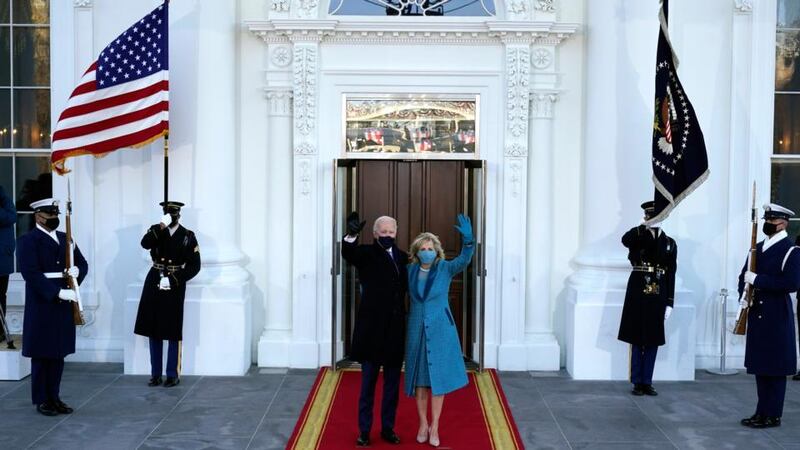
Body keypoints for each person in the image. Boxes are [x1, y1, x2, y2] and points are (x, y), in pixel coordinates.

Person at [404, 214, 474, 448]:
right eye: (423, 248)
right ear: (416, 251)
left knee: (438, 382)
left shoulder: (445, 268)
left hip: (441, 329)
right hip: (416, 329)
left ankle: (436, 426)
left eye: (430, 248)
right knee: (420, 382)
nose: (427, 251)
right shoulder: (410, 271)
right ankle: (422, 424)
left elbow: (464, 260)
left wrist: (468, 241)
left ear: (437, 251)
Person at [341, 213, 408, 447]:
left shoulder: (403, 258)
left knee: (391, 387)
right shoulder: (366, 254)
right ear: (375, 233)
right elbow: (348, 253)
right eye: (383, 232)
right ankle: (364, 431)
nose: (388, 235)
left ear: (396, 233)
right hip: (371, 333)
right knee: (367, 386)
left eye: (391, 232)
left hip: (394, 333)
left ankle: (388, 428)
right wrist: (351, 235)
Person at [18, 198, 88, 416]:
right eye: (50, 217)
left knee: (58, 352)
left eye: (56, 216)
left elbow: (82, 264)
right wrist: (56, 291)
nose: (54, 220)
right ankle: (42, 399)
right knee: (42, 353)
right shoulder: (28, 240)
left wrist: (77, 273)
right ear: (38, 217)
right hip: (43, 302)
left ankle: (54, 397)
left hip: (64, 302)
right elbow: (30, 273)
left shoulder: (64, 238)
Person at [738, 203, 800, 428]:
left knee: (775, 368)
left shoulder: (791, 251)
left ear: (783, 223)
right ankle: (760, 411)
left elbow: (791, 284)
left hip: (776, 315)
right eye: (766, 219)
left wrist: (758, 281)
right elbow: (743, 276)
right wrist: (743, 296)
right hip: (757, 313)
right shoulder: (757, 247)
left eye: (771, 221)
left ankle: (773, 415)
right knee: (761, 366)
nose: (767, 224)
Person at [134, 201, 201, 388]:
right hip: (154, 279)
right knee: (153, 326)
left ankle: (172, 373)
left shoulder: (188, 236)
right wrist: (161, 226)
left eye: (173, 216)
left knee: (172, 328)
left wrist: (174, 279)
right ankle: (155, 373)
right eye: (168, 216)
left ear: (179, 216)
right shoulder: (156, 230)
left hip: (174, 282)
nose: (171, 219)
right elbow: (144, 243)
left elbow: (195, 265)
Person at [617, 201, 677, 396]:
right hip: (638, 290)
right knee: (636, 337)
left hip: (658, 291)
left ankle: (647, 381)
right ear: (646, 217)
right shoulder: (638, 236)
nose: (654, 220)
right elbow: (625, 240)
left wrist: (669, 301)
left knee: (652, 338)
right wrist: (641, 227)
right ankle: (636, 381)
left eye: (658, 217)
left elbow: (671, 274)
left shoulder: (669, 243)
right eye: (651, 217)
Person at [0, 185, 16, 344]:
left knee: (0, 296)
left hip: (1, 261)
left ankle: (0, 331)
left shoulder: (3, 198)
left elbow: (11, 217)